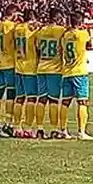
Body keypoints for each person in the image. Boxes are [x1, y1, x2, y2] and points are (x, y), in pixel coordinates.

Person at [60, 9, 93, 141]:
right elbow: (90, 45)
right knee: (83, 102)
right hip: (79, 72)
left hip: (66, 72)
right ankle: (81, 132)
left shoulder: (65, 35)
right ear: (81, 22)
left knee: (65, 102)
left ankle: (63, 130)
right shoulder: (82, 34)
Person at [34, 8, 68, 139]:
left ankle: (40, 129)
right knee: (53, 100)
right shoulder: (61, 31)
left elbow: (37, 48)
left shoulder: (41, 31)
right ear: (58, 18)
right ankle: (54, 129)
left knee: (41, 99)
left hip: (41, 68)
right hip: (54, 69)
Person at [0, 5, 19, 135]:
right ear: (13, 14)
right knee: (11, 93)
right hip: (9, 63)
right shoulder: (11, 26)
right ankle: (8, 123)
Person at [11, 9, 40, 138]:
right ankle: (28, 128)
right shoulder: (33, 29)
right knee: (32, 98)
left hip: (18, 67)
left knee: (19, 98)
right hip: (30, 67)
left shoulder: (17, 29)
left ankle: (16, 126)